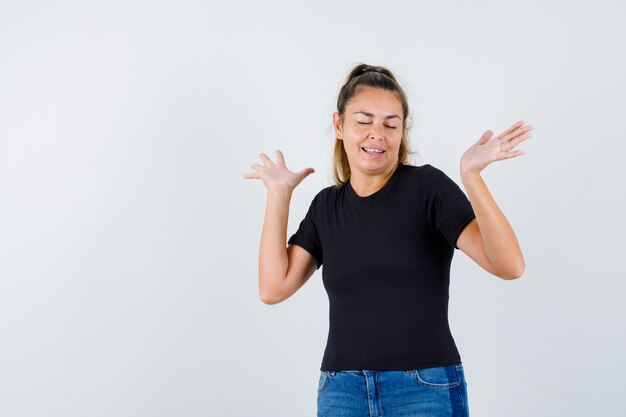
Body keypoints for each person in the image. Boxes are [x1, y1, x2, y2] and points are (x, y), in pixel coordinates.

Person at [243, 63, 532, 417]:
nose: (376, 133)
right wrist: (278, 195)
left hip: (424, 388)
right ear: (339, 125)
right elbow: (273, 288)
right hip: (341, 390)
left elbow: (509, 265)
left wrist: (471, 176)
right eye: (363, 121)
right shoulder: (326, 207)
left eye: (390, 124)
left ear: (402, 131)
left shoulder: (428, 188)